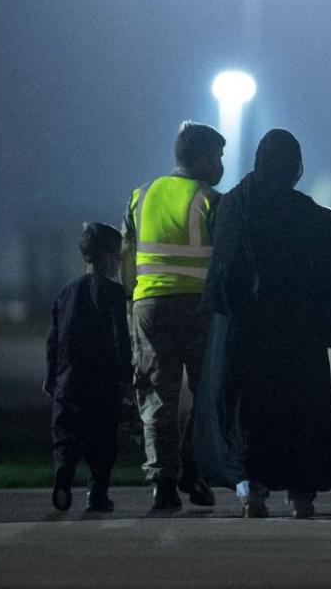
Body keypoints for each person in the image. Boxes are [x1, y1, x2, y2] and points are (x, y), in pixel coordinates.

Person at [195, 128, 331, 519]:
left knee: (248, 413)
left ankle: (252, 491)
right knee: (298, 413)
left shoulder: (235, 205)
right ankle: (301, 495)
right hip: (296, 337)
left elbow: (223, 270)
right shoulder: (309, 215)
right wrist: (327, 320)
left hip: (246, 335)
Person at [121, 121, 224, 510]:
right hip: (197, 308)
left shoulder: (141, 195)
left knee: (157, 396)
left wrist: (132, 305)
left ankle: (162, 482)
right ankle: (191, 468)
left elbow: (126, 256)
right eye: (216, 157)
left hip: (148, 306)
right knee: (207, 393)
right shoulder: (210, 199)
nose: (219, 165)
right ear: (199, 158)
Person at [45, 223, 132, 512]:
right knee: (102, 442)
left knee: (66, 436)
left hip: (67, 381)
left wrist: (51, 377)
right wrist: (126, 374)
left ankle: (63, 474)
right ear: (108, 256)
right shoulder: (113, 293)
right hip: (101, 383)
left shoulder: (66, 292)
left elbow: (53, 340)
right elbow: (120, 337)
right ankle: (97, 493)